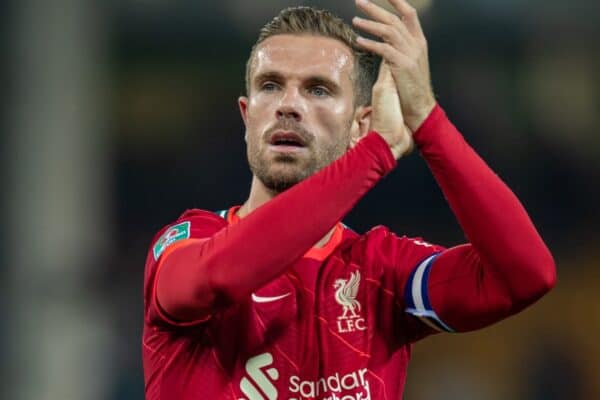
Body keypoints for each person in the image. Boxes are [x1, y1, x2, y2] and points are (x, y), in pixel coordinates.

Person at [142, 1, 556, 399]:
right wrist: (377, 153)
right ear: (247, 116)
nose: (288, 105)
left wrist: (427, 120)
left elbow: (525, 276)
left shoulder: (381, 273)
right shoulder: (189, 243)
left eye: (317, 90)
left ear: (361, 125)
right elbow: (218, 277)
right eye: (271, 86)